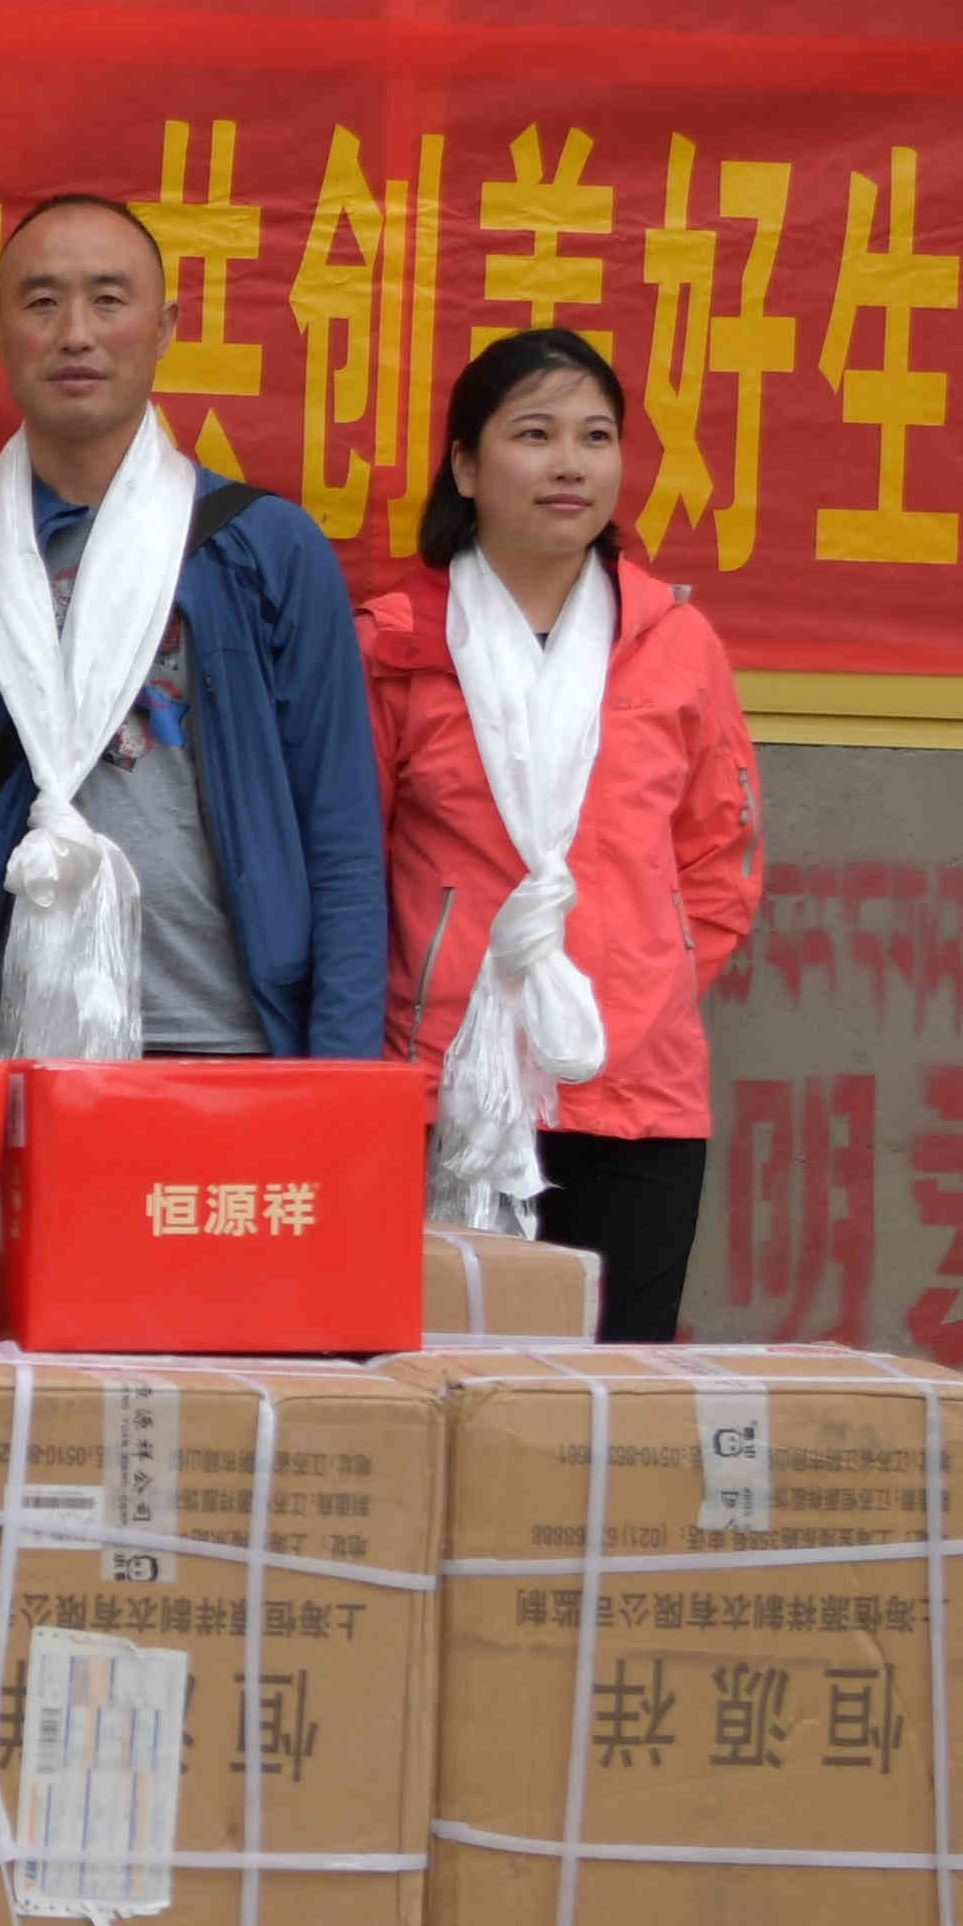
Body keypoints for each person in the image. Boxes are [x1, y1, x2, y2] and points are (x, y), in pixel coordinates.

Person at [0, 191, 383, 1063]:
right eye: (42, 302)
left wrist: (339, 1075)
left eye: (109, 300)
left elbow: (340, 833)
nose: (76, 333)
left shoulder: (267, 549)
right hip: (1, 1042)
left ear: (165, 327)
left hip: (228, 1041)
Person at [365, 325, 763, 1343]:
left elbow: (718, 858)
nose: (570, 464)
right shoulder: (395, 643)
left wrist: (641, 985)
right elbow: (348, 867)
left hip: (635, 1088)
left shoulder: (676, 643)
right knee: (439, 1381)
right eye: (534, 433)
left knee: (608, 1398)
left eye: (596, 436)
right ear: (465, 465)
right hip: (439, 1083)